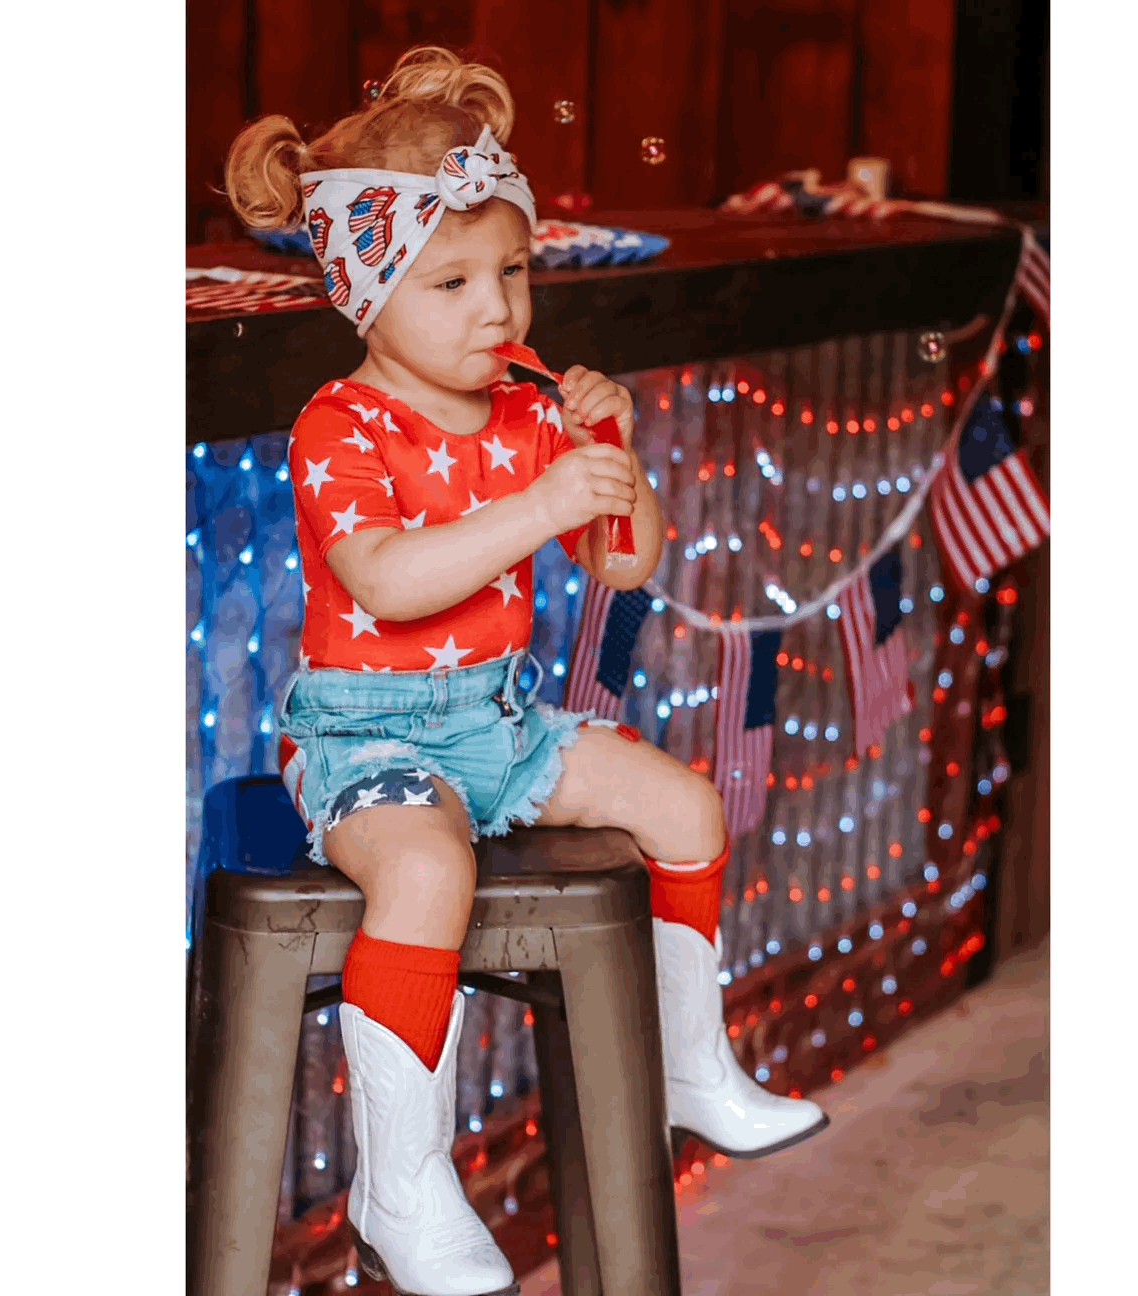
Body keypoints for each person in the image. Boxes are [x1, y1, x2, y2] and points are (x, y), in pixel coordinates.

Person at [224, 45, 827, 1296]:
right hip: (370, 737)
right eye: (451, 282)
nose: (496, 309)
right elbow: (391, 580)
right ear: (365, 294)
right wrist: (542, 499)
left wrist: (613, 462)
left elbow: (624, 564)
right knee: (426, 869)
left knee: (686, 806)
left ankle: (688, 1067)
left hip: (501, 726)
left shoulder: (530, 407)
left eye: (512, 270)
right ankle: (399, 1186)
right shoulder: (341, 424)